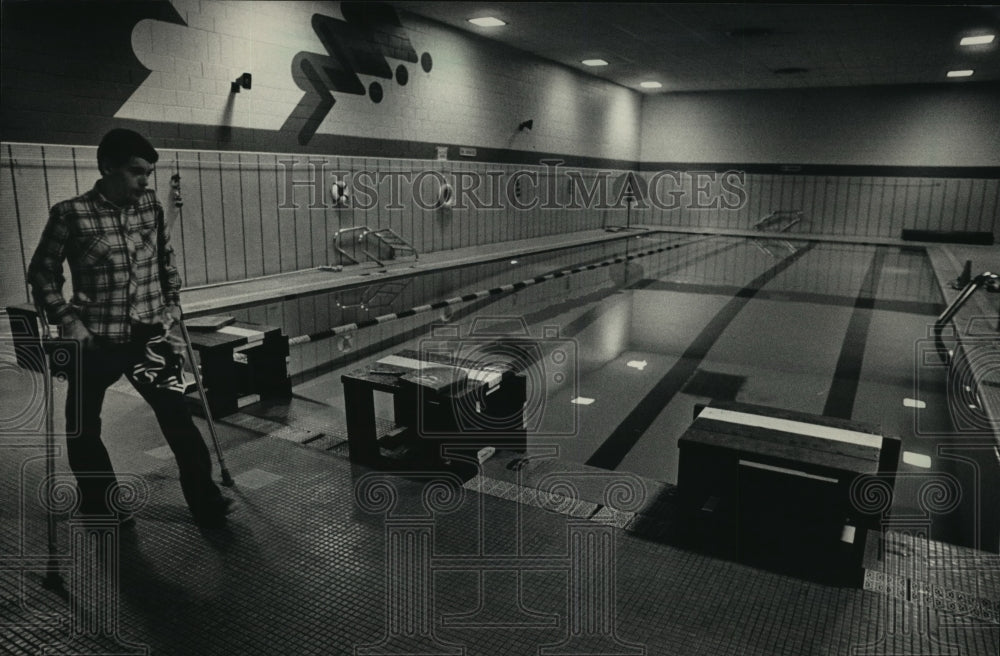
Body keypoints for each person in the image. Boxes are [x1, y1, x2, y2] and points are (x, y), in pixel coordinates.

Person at [28, 128, 234, 528]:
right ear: (108, 168)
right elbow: (42, 273)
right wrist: (67, 319)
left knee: (178, 422)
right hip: (95, 340)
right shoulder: (70, 214)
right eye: (137, 172)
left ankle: (207, 503)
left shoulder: (151, 209)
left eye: (149, 173)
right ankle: (102, 505)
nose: (145, 182)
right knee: (82, 429)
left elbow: (164, 260)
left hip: (148, 338)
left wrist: (172, 301)